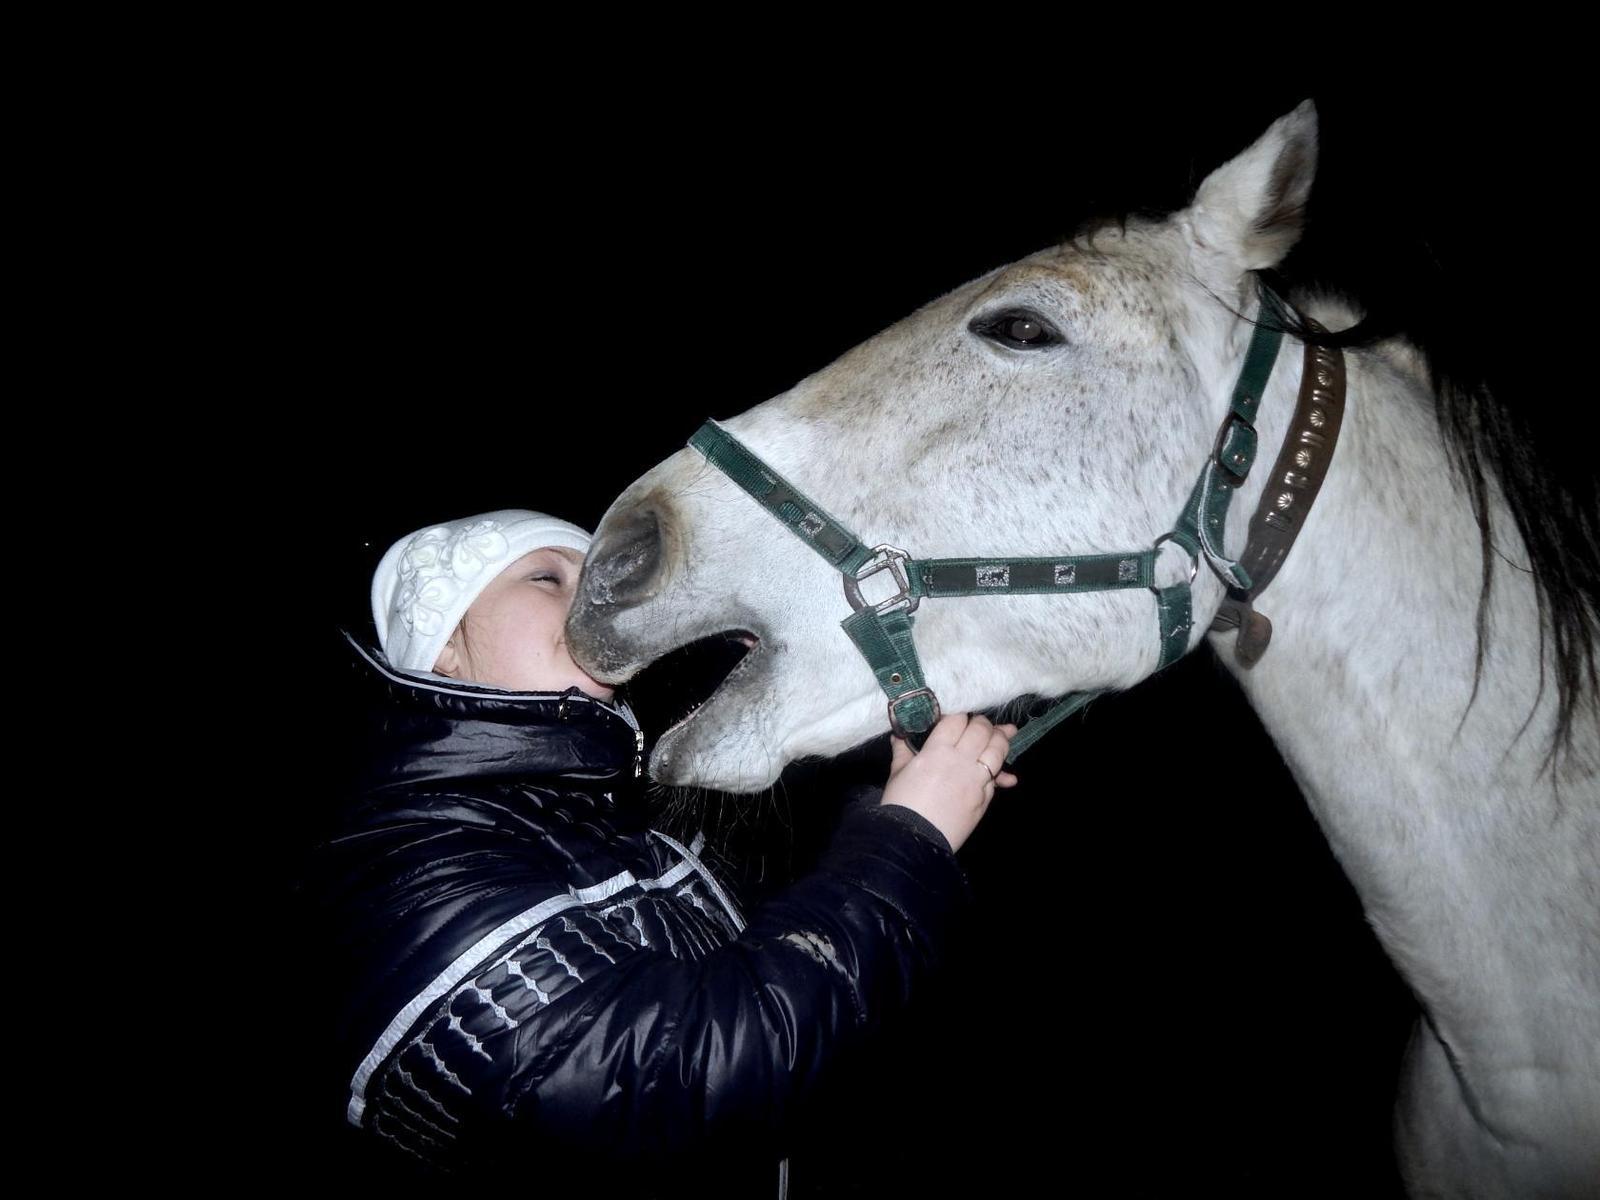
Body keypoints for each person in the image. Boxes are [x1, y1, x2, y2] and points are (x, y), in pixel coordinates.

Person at [296, 508, 1015, 1195]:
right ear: (444, 643)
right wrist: (907, 840)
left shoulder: (604, 816)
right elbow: (674, 1079)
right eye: (547, 578)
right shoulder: (402, 855)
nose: (595, 604)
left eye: (601, 580)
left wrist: (894, 797)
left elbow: (777, 927)